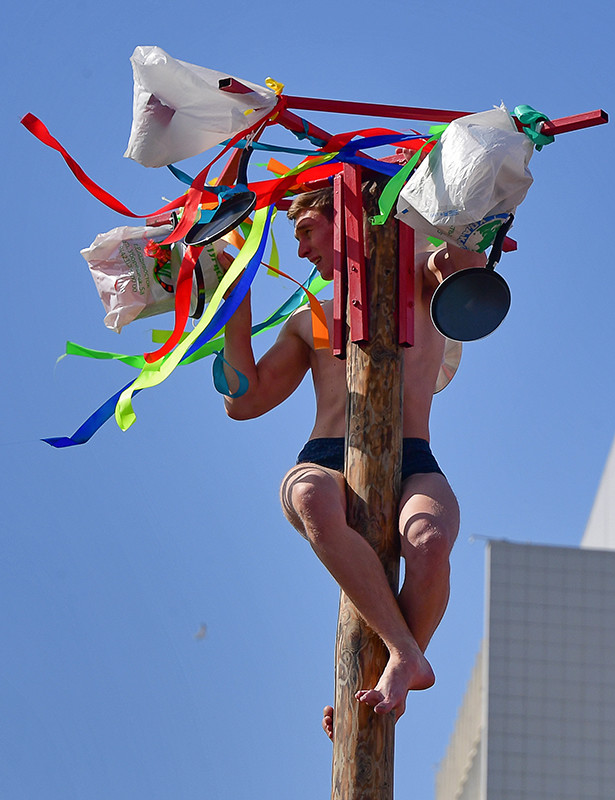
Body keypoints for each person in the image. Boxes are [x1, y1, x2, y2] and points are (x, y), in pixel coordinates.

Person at [218, 178, 486, 723]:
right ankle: (407, 655)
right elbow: (244, 401)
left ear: (344, 217)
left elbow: (468, 264)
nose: (298, 249)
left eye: (306, 230)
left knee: (430, 541)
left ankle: (398, 666)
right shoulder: (307, 322)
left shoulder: (421, 274)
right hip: (326, 458)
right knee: (313, 495)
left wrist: (471, 214)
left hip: (412, 455)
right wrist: (232, 305)